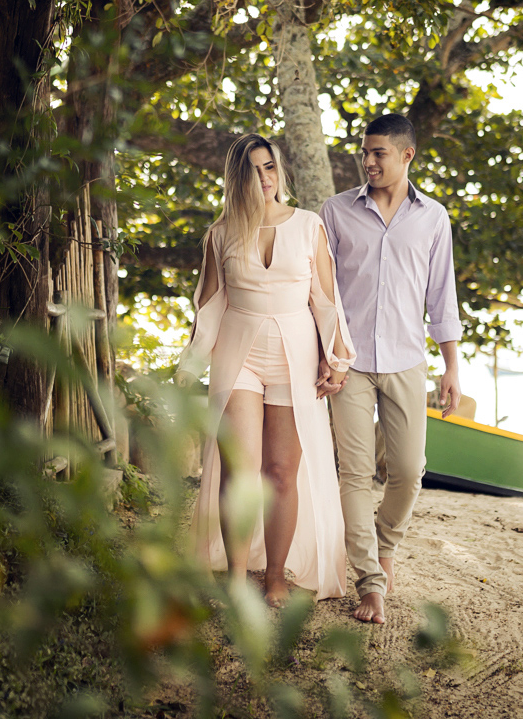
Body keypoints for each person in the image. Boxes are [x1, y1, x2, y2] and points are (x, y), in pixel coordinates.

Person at [176, 133, 356, 606]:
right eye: (253, 170)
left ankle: (275, 575)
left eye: (270, 167)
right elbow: (210, 305)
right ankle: (237, 577)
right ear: (237, 179)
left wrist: (337, 359)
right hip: (238, 356)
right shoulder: (220, 234)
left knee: (280, 472)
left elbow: (326, 301)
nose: (264, 178)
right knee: (239, 469)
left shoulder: (309, 225)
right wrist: (189, 365)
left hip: (296, 357)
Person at [318, 113, 463, 624]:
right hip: (349, 362)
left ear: (406, 155)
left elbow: (442, 296)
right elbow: (322, 291)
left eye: (378, 153)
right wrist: (326, 353)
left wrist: (451, 366)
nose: (369, 161)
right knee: (355, 473)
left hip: (406, 360)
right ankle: (370, 582)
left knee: (408, 471)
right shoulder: (335, 211)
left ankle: (385, 546)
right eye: (365, 152)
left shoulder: (434, 218)